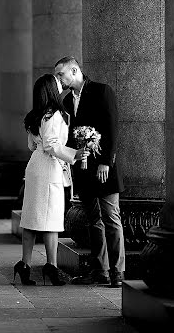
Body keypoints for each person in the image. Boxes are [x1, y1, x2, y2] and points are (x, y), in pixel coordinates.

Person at [54, 56, 125, 287]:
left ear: (74, 71)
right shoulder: (65, 102)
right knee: (94, 220)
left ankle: (118, 272)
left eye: (61, 74)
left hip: (103, 168)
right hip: (82, 170)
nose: (59, 79)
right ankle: (99, 270)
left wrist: (106, 162)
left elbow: (112, 128)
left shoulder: (102, 91)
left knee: (111, 218)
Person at [14, 73, 89, 286]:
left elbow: (32, 145)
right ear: (51, 91)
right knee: (51, 221)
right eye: (57, 85)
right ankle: (52, 267)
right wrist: (74, 154)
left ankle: (25, 265)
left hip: (35, 165)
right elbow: (51, 146)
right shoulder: (53, 114)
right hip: (48, 169)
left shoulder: (34, 115)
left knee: (30, 219)